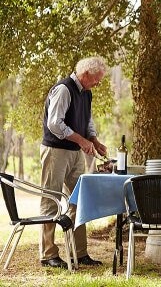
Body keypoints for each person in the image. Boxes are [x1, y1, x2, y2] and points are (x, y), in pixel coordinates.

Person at [40, 56, 108, 268]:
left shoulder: (86, 93)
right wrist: (81, 140)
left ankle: (79, 252)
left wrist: (94, 140)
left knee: (79, 199)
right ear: (86, 74)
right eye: (97, 79)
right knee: (50, 200)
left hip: (74, 152)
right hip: (55, 151)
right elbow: (55, 124)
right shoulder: (64, 89)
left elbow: (87, 120)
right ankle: (48, 254)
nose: (98, 83)